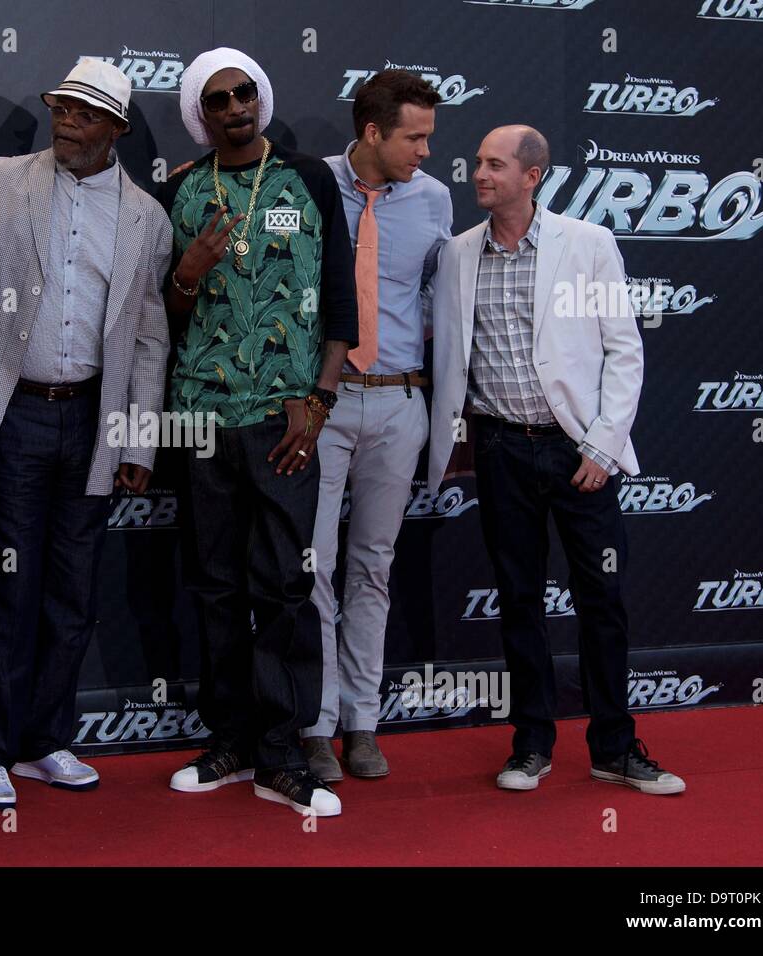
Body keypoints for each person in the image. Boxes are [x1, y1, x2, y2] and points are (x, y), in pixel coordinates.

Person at [427, 125, 685, 795]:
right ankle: (531, 744)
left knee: (602, 598)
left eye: (494, 164)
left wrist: (601, 444)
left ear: (532, 176)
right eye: (478, 162)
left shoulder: (589, 244)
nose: (478, 174)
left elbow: (625, 351)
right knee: (518, 600)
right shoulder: (456, 254)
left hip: (578, 452)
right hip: (501, 448)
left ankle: (615, 748)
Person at [0, 60, 172, 809]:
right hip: (14, 412)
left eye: (84, 114)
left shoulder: (147, 216)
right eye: (62, 108)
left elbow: (149, 337)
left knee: (72, 593)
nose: (67, 122)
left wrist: (138, 440)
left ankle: (46, 740)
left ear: (115, 128)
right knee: (7, 586)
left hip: (92, 420)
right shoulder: (0, 182)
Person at [157, 48, 358, 817]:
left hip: (287, 417)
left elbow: (339, 300)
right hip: (203, 416)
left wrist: (322, 397)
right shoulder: (179, 192)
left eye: (245, 93)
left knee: (282, 585)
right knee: (214, 585)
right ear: (200, 116)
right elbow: (162, 319)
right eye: (219, 100)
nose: (236, 107)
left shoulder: (309, 180)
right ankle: (232, 742)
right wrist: (189, 272)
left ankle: (283, 751)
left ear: (260, 100)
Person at [301, 70, 452, 783]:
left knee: (373, 568)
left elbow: (438, 302)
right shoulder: (307, 183)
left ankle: (363, 724)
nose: (426, 150)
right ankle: (314, 723)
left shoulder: (435, 202)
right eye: (414, 137)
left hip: (398, 403)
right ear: (371, 132)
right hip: (321, 404)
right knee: (314, 569)